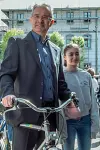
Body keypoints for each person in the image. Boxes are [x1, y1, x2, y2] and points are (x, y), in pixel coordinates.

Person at [0, 3, 71, 150]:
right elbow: (6, 73)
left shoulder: (56, 50)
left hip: (51, 114)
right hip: (26, 113)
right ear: (31, 19)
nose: (40, 20)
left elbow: (61, 83)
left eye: (45, 17)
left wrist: (70, 101)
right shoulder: (17, 43)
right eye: (37, 16)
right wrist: (8, 93)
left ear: (51, 22)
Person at [62, 44, 100, 150]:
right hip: (67, 121)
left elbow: (93, 101)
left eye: (77, 54)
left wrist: (95, 124)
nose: (74, 57)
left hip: (85, 120)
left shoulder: (86, 76)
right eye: (71, 54)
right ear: (65, 57)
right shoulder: (60, 76)